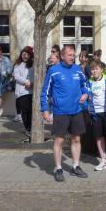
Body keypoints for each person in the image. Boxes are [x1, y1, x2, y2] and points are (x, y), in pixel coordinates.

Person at [40, 45, 89, 182]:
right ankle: (58, 168)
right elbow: (45, 92)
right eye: (69, 55)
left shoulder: (77, 69)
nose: (72, 57)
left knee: (76, 139)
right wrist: (45, 109)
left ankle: (75, 166)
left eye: (73, 55)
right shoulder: (53, 71)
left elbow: (85, 85)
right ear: (62, 56)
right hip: (61, 111)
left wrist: (86, 94)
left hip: (76, 110)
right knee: (59, 140)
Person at [13, 46, 35, 137]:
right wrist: (26, 82)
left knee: (31, 111)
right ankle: (27, 128)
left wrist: (32, 83)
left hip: (31, 92)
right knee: (24, 111)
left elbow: (35, 75)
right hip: (22, 92)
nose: (25, 56)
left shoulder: (33, 64)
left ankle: (31, 128)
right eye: (23, 54)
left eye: (27, 54)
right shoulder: (18, 65)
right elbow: (16, 76)